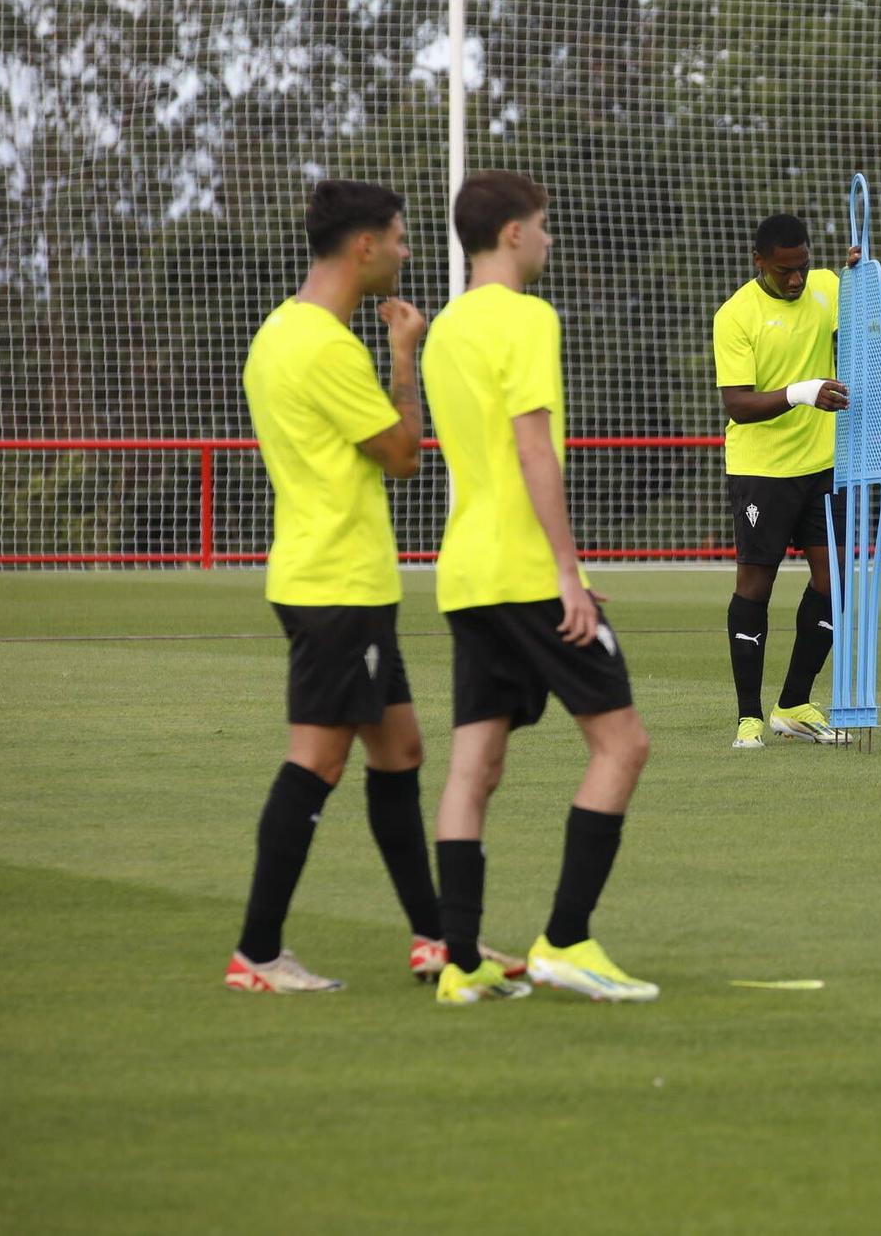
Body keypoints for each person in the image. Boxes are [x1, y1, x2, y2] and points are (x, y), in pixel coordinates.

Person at [227, 180, 520, 993]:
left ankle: (437, 940)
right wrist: (404, 354)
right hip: (336, 585)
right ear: (363, 247)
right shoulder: (321, 345)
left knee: (401, 752)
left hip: (328, 575)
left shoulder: (282, 330)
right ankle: (256, 953)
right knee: (315, 761)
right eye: (398, 236)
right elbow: (400, 453)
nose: (407, 249)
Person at [422, 169, 656, 1007]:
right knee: (623, 745)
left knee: (472, 767)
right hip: (526, 571)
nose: (550, 238)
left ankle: (460, 959)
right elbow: (532, 451)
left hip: (463, 575)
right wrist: (569, 572)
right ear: (513, 233)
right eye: (544, 224)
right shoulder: (526, 317)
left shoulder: (446, 329)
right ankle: (565, 938)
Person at [714, 214, 861, 750]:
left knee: (835, 582)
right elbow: (737, 404)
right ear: (759, 263)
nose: (796, 280)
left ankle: (794, 704)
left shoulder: (825, 285)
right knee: (756, 586)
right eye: (784, 272)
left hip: (821, 466)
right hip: (761, 471)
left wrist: (859, 276)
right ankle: (748, 717)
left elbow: (859, 318)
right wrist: (802, 391)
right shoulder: (735, 316)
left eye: (801, 267)